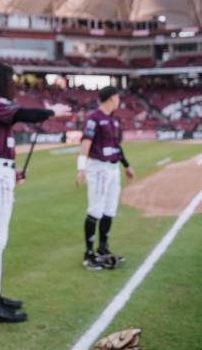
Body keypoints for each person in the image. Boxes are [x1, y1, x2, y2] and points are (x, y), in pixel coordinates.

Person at [0, 62, 70, 323]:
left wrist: (12, 172)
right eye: (11, 79)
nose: (14, 83)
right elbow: (25, 114)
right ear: (2, 80)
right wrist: (51, 111)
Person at [76, 86, 135, 271]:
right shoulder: (94, 119)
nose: (119, 100)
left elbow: (117, 146)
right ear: (111, 98)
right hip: (99, 168)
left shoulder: (114, 121)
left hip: (113, 168)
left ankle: (102, 248)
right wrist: (81, 169)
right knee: (95, 210)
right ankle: (88, 254)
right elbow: (86, 144)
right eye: (117, 97)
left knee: (110, 210)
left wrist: (126, 165)